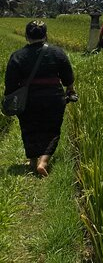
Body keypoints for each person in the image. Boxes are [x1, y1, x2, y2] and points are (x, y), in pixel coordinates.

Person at [3, 21, 76, 176]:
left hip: (28, 99)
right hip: (54, 97)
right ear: (46, 35)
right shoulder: (57, 53)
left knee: (29, 127)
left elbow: (10, 83)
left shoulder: (17, 56)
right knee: (52, 128)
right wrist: (70, 90)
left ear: (26, 36)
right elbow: (67, 76)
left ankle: (33, 161)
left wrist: (11, 98)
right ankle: (43, 161)